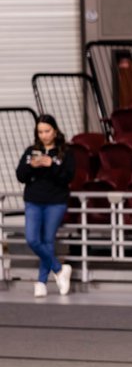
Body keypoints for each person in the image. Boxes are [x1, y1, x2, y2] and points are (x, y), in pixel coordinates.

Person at [15, 114, 75, 297]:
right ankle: (59, 269)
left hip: (55, 202)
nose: (44, 135)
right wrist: (32, 165)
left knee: (47, 241)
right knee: (32, 239)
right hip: (33, 200)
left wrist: (51, 165)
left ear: (55, 131)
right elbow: (20, 176)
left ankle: (41, 282)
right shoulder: (31, 151)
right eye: (40, 132)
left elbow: (68, 177)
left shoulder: (65, 152)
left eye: (47, 131)